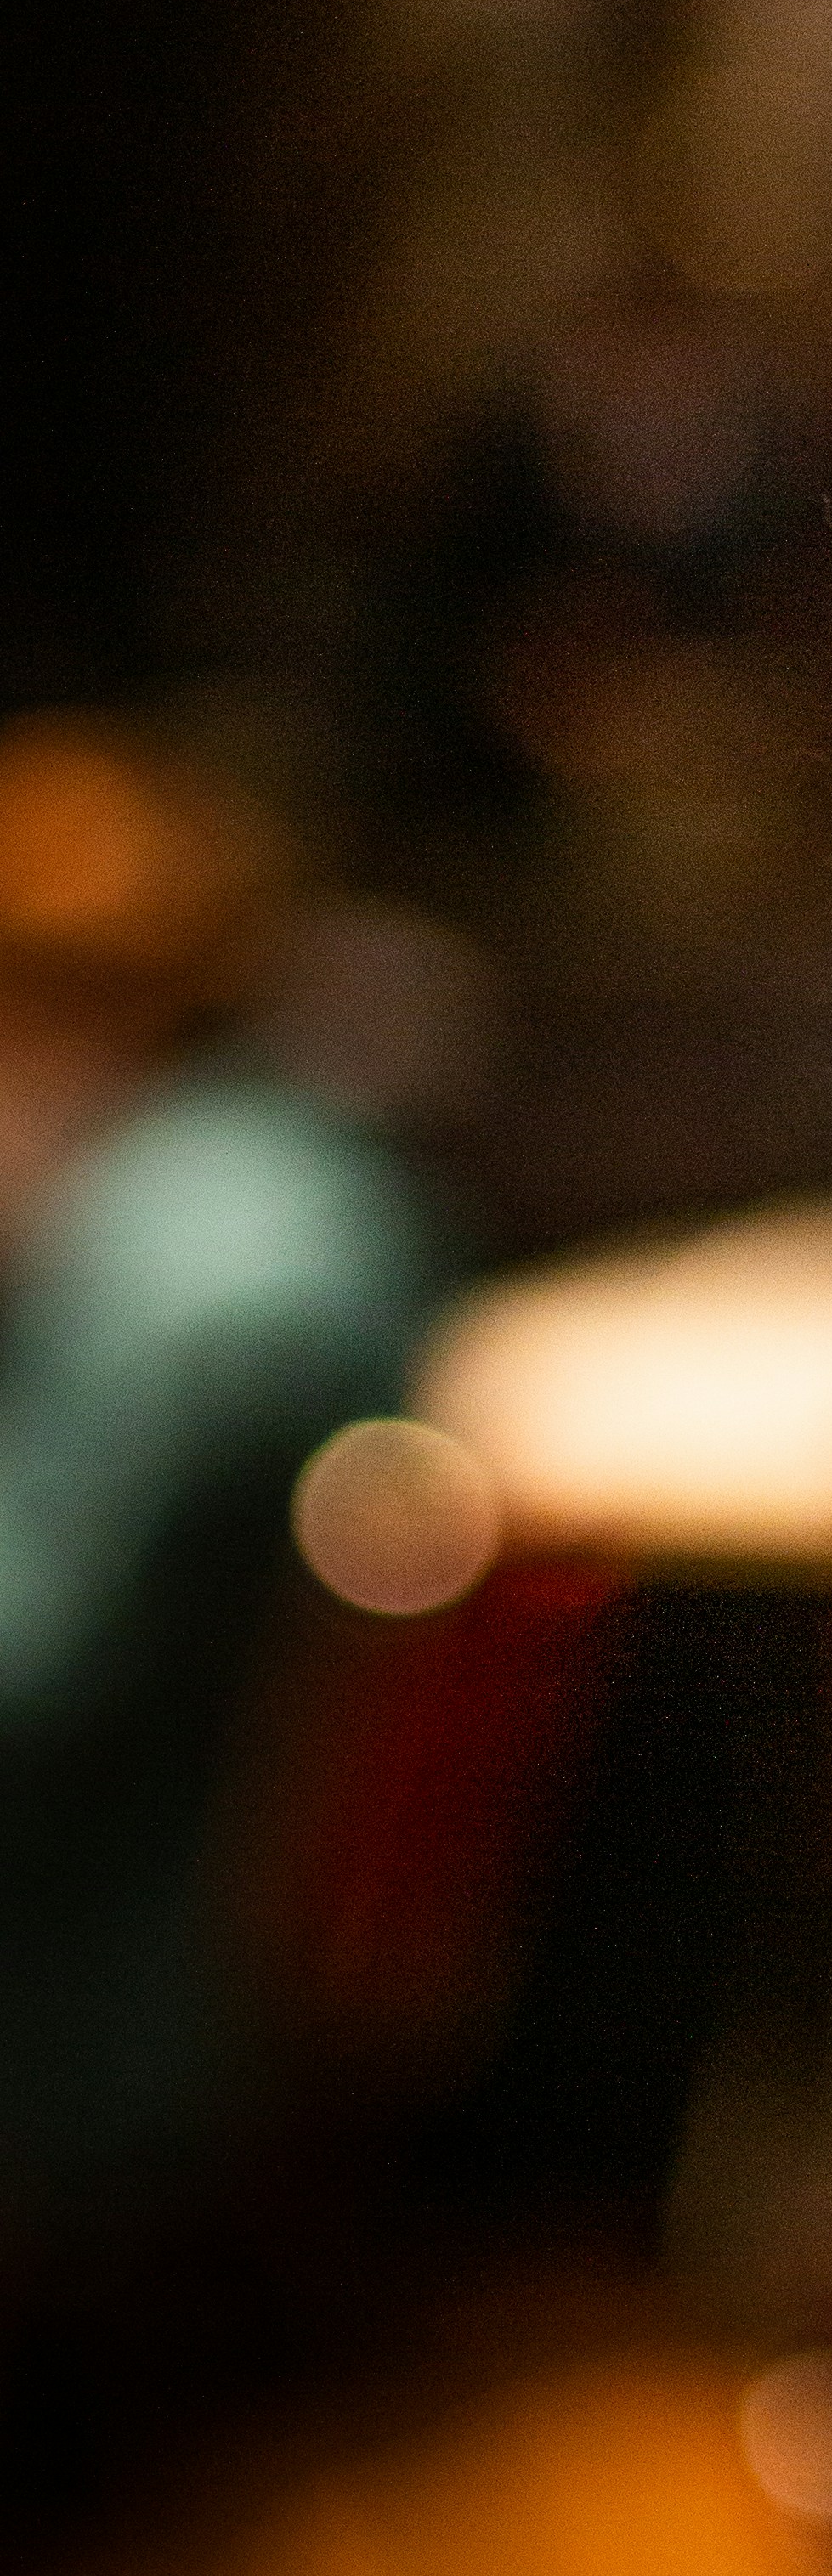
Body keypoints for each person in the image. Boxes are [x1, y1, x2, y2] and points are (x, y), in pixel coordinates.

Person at [0, 719, 439, 2225]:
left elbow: (31, 1658)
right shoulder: (301, 1186)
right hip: (206, 1913)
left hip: (104, 1965)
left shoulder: (182, 1261)